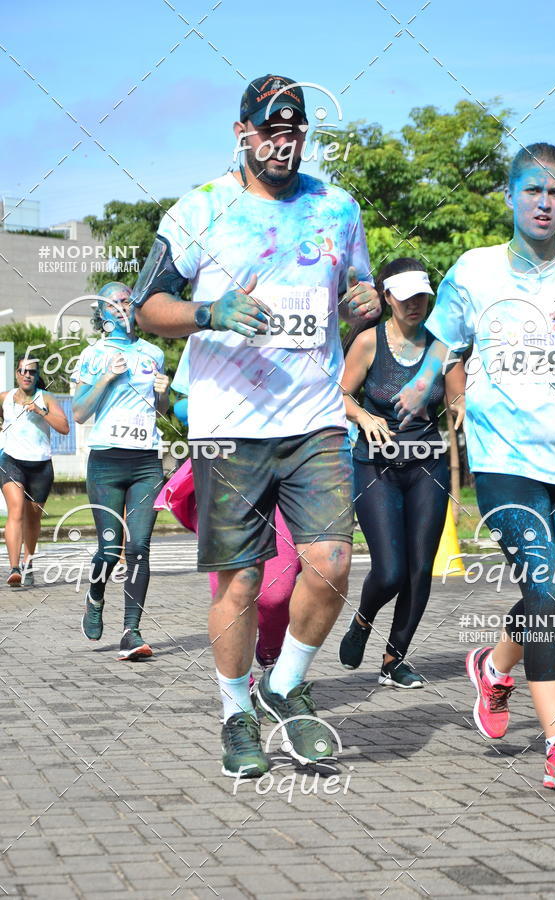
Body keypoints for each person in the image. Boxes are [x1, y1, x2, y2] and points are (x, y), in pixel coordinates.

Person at [133, 74, 380, 777]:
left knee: (331, 564)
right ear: (242, 132)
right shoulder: (201, 209)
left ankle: (285, 684)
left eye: (294, 128)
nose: (283, 139)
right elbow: (145, 306)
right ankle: (235, 714)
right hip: (228, 425)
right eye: (270, 127)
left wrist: (363, 301)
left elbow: (356, 292)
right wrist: (210, 314)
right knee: (240, 583)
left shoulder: (338, 207)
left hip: (314, 417)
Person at [394, 142, 555, 791]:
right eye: (531, 191)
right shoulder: (475, 271)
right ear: (509, 197)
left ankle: (494, 665)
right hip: (504, 455)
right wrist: (425, 388)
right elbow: (444, 345)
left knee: (551, 597)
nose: (544, 202)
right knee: (542, 587)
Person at [339, 257, 465, 686]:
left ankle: (395, 659)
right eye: (406, 296)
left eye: (422, 296)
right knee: (390, 569)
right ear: (388, 296)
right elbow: (339, 395)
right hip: (376, 465)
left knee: (419, 568)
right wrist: (363, 417)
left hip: (427, 465)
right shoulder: (369, 342)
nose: (416, 304)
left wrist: (464, 405)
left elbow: (457, 398)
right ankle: (362, 620)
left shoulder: (441, 346)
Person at [155, 348, 301, 668]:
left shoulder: (294, 335)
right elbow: (181, 405)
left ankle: (271, 651)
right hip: (222, 470)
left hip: (283, 466)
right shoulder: (206, 338)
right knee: (232, 587)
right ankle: (238, 686)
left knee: (278, 592)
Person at [72, 282, 169, 661]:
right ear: (104, 313)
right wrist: (106, 378)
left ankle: (132, 629)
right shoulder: (92, 355)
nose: (126, 306)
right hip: (106, 462)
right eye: (118, 302)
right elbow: (79, 412)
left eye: (129, 300)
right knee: (110, 548)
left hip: (146, 460)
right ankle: (95, 597)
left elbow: (159, 411)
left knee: (140, 548)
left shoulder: (153, 353)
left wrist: (162, 392)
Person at [0, 357, 69, 586]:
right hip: (10, 461)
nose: (27, 375)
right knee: (16, 510)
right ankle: (14, 567)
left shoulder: (46, 398)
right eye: (23, 371)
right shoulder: (5, 398)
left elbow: (64, 427)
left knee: (33, 518)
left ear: (37, 375)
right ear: (16, 374)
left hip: (40, 465)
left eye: (31, 371)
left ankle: (29, 564)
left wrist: (41, 412)